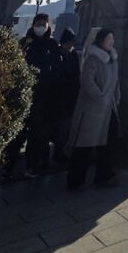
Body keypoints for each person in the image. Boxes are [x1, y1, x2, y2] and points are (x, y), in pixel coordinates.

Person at [66, 28, 121, 190]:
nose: (111, 41)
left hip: (108, 108)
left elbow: (116, 81)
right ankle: (76, 181)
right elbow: (87, 81)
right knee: (84, 146)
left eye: (112, 39)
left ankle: (105, 174)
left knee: (109, 142)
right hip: (92, 110)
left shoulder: (112, 58)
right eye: (108, 39)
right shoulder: (92, 59)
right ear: (100, 40)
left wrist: (116, 96)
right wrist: (99, 96)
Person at [23, 13, 63, 176]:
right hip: (27, 93)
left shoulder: (53, 44)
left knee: (43, 132)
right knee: (25, 134)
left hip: (47, 95)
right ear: (33, 24)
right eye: (38, 23)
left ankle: (40, 163)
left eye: (44, 23)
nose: (41, 26)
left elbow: (58, 68)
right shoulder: (26, 43)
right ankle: (15, 166)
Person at [52, 28, 81, 162]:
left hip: (70, 98)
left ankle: (62, 152)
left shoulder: (74, 55)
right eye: (68, 42)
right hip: (56, 97)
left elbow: (77, 75)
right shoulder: (55, 54)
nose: (70, 45)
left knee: (66, 128)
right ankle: (55, 153)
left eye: (72, 43)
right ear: (63, 42)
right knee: (56, 128)